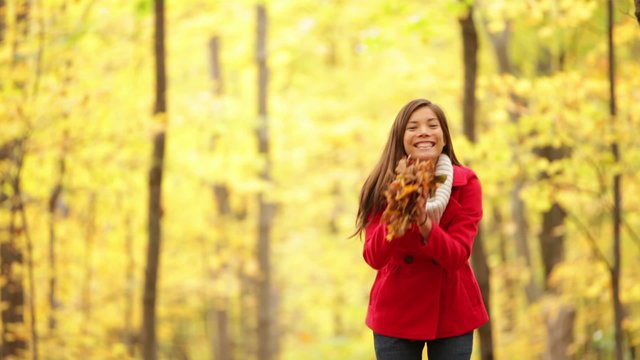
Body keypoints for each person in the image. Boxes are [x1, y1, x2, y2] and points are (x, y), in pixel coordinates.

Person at [353, 99, 488, 360]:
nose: (424, 132)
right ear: (400, 138)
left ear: (444, 137)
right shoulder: (382, 184)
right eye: (413, 127)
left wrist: (425, 224)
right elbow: (374, 257)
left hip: (452, 308)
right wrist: (398, 208)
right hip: (396, 310)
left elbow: (457, 255)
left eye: (432, 125)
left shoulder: (466, 183)